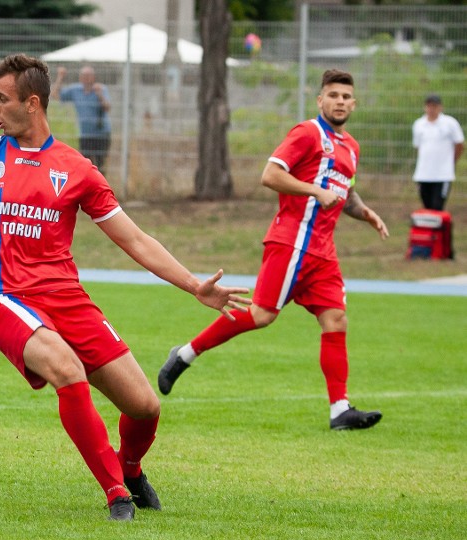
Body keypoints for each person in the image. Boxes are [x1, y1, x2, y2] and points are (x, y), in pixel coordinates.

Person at [0, 54, 250, 521]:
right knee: (66, 370)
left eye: (0, 98)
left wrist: (194, 285)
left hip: (67, 299)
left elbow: (133, 239)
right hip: (2, 298)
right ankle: (116, 493)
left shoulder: (77, 169)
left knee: (145, 406)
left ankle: (130, 468)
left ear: (32, 103)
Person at [158, 69, 390, 432]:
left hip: (323, 253)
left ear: (354, 103)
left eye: (346, 97)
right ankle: (185, 353)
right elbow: (270, 174)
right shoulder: (307, 133)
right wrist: (313, 191)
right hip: (292, 242)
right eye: (333, 95)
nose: (340, 102)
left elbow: (343, 191)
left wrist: (365, 213)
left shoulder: (351, 147)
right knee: (262, 315)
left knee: (336, 320)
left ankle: (340, 410)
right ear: (320, 100)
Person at [51, 65, 112, 173]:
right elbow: (55, 95)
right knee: (85, 165)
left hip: (101, 134)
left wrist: (100, 95)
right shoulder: (75, 90)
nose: (86, 78)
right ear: (80, 77)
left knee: (101, 166)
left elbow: (107, 108)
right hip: (85, 135)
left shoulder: (101, 89)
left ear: (94, 77)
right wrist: (60, 77)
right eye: (84, 75)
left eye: (89, 75)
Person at [412, 94, 464, 211]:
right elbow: (418, 147)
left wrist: (451, 162)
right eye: (429, 106)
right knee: (427, 208)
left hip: (442, 174)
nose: (431, 109)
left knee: (437, 208)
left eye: (434, 106)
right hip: (423, 174)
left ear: (440, 107)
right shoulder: (419, 124)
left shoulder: (450, 123)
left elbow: (460, 144)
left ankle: (444, 229)